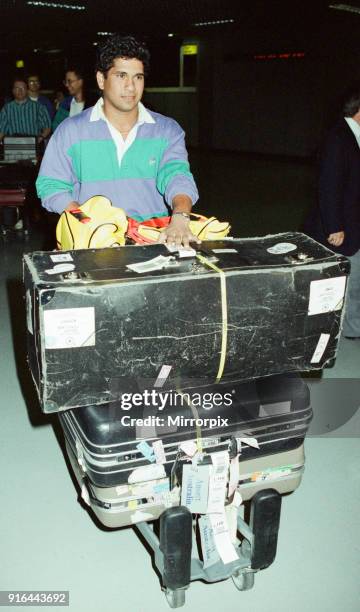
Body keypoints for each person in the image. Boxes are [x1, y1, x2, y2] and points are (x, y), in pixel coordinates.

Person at [36, 34, 199, 247]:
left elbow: (177, 175)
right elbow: (51, 185)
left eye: (138, 77)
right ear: (101, 80)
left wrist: (180, 217)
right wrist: (86, 223)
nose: (131, 86)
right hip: (91, 246)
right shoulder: (70, 131)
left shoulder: (167, 130)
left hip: (152, 241)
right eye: (121, 75)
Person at [304, 83, 360, 339]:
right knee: (338, 281)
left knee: (354, 281)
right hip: (340, 229)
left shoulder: (354, 136)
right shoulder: (338, 137)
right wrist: (334, 226)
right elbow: (328, 185)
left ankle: (351, 327)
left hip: (353, 224)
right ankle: (326, 332)